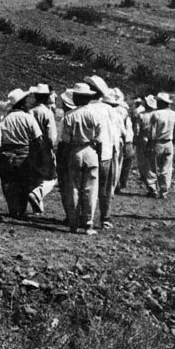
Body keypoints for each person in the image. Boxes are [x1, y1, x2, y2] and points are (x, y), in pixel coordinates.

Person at [61, 83, 101, 234]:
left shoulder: (69, 116)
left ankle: (73, 222)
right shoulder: (94, 114)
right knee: (90, 189)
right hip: (90, 150)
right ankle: (87, 223)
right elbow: (99, 137)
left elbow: (65, 140)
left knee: (74, 188)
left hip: (75, 151)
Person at [0, 88, 43, 219]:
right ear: (22, 103)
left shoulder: (5, 118)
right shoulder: (28, 118)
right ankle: (21, 210)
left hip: (7, 152)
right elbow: (38, 138)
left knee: (8, 181)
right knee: (23, 182)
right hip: (24, 152)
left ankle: (12, 208)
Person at [85, 75, 120, 230]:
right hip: (107, 153)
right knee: (105, 189)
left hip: (90, 152)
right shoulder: (110, 110)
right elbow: (115, 135)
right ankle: (105, 217)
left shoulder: (85, 109)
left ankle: (85, 217)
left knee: (87, 187)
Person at [28, 83, 57, 214]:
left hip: (31, 146)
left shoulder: (30, 111)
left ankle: (38, 207)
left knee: (35, 176)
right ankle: (38, 194)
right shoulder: (47, 112)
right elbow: (51, 136)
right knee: (51, 177)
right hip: (44, 147)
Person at [147, 92, 175, 199]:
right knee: (165, 169)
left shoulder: (156, 114)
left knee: (153, 167)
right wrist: (173, 142)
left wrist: (149, 144)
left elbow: (151, 132)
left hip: (157, 142)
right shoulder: (174, 114)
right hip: (169, 142)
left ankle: (154, 190)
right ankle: (164, 191)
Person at [56, 89, 76, 227]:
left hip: (66, 151)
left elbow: (61, 139)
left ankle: (71, 215)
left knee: (66, 185)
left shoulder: (66, 118)